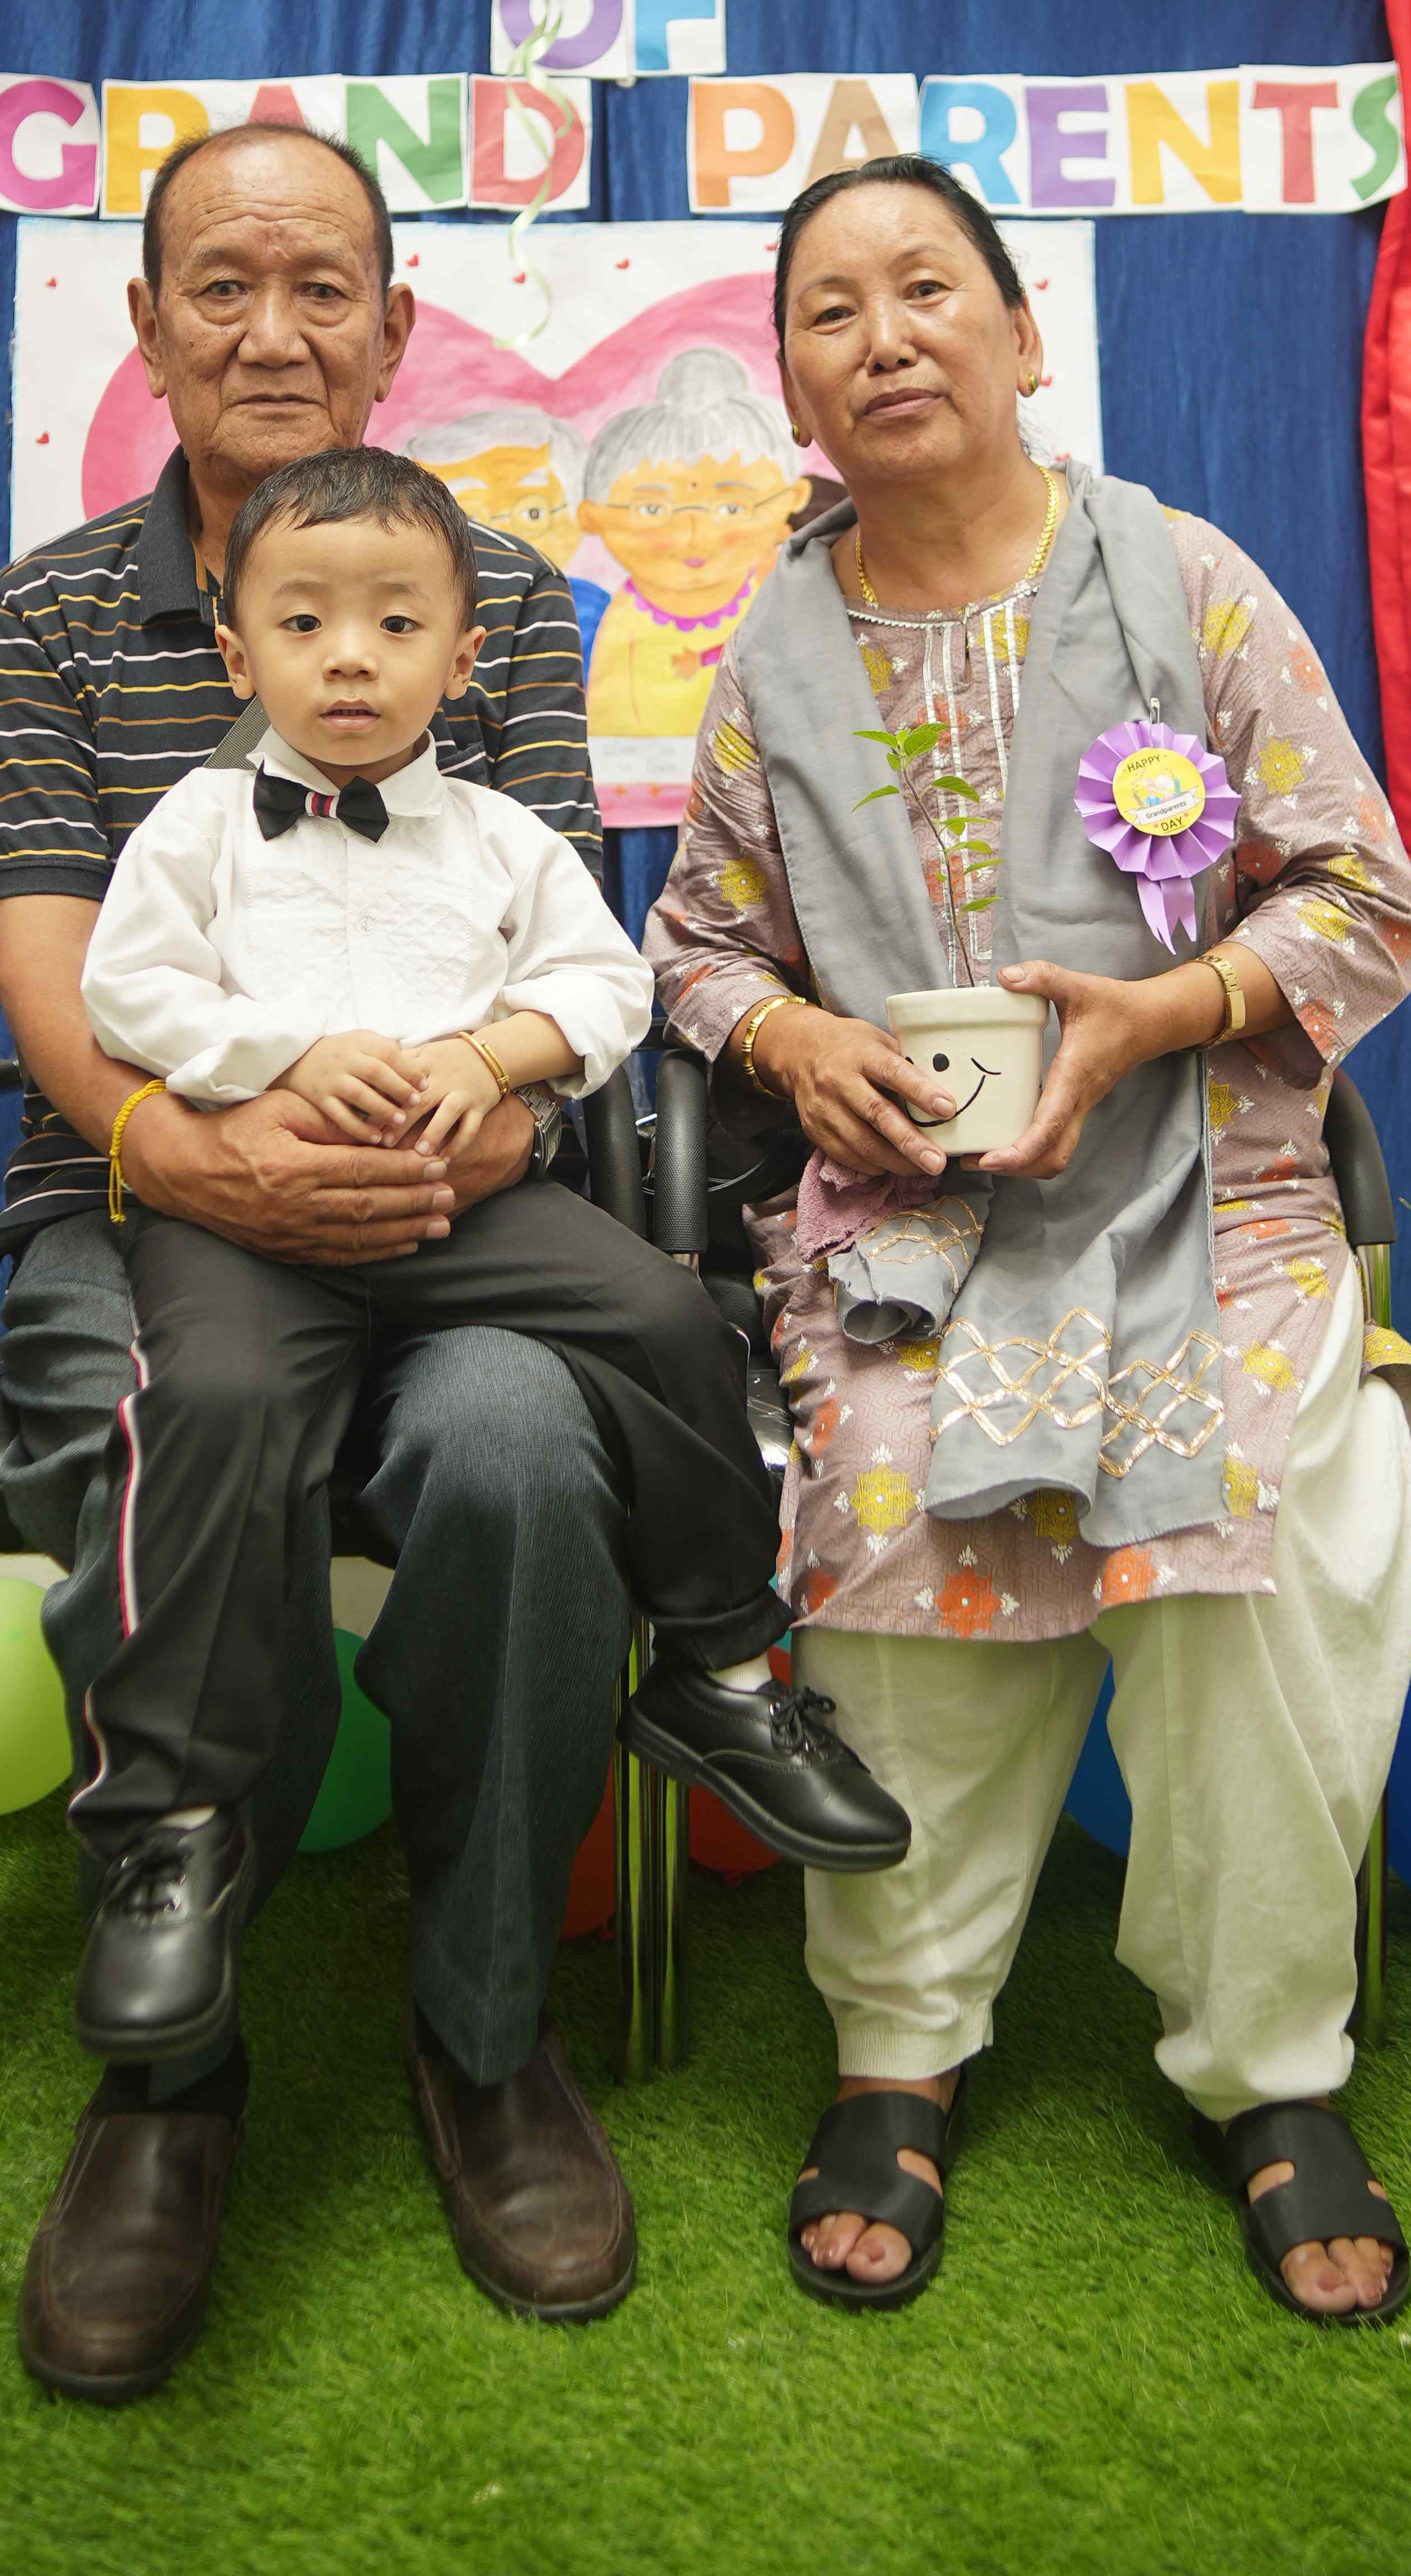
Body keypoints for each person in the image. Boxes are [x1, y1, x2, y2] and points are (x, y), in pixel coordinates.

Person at [648, 154, 1411, 2327]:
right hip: (912, 1215)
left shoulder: (1183, 583)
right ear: (793, 395)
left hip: (1211, 1187)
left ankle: (1271, 2061)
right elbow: (694, 949)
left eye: (926, 287)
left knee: (1251, 1531)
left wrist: (1159, 1012)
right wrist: (799, 1039)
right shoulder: (771, 656)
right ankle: (896, 2043)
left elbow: (1361, 896)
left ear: (1022, 336)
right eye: (830, 311)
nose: (883, 335)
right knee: (889, 1516)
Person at [0, 121, 656, 2399]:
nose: (272, 329)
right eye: (222, 284)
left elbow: (554, 965)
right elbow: (53, 980)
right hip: (140, 1198)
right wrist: (209, 1158)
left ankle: (486, 2029)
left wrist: (470, 1130)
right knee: (169, 1415)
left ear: (392, 322)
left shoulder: (510, 601)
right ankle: (168, 2077)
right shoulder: (50, 617)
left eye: (321, 286)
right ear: (148, 323)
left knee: (522, 1449)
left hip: (449, 1200)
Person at [65, 439, 907, 2077]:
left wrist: (493, 1053)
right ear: (236, 655)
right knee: (211, 1406)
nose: (350, 657)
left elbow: (607, 989)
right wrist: (283, 1057)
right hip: (251, 1221)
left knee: (665, 1313)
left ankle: (722, 1659)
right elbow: (128, 992)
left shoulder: (503, 837)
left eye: (394, 623)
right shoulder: (194, 825)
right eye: (304, 623)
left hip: (464, 1204)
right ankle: (170, 1823)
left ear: (462, 659)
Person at [576, 345, 812, 762]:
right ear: (593, 516)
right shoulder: (623, 622)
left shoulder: (774, 601)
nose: (693, 535)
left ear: (791, 500)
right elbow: (612, 725)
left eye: (731, 508)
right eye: (652, 510)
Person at [409, 404, 610, 675]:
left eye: (533, 513)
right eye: (471, 520)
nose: (502, 537)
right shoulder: (417, 614)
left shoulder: (591, 612)